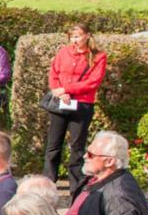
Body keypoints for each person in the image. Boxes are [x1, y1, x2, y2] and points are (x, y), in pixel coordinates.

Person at [44, 23, 107, 193]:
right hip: (61, 101)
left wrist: (68, 89)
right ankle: (49, 180)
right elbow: (54, 73)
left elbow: (93, 82)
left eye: (78, 36)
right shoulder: (64, 52)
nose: (75, 40)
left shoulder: (97, 56)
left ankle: (76, 184)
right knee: (53, 143)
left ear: (87, 35)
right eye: (72, 36)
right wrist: (59, 91)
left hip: (82, 103)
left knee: (77, 146)